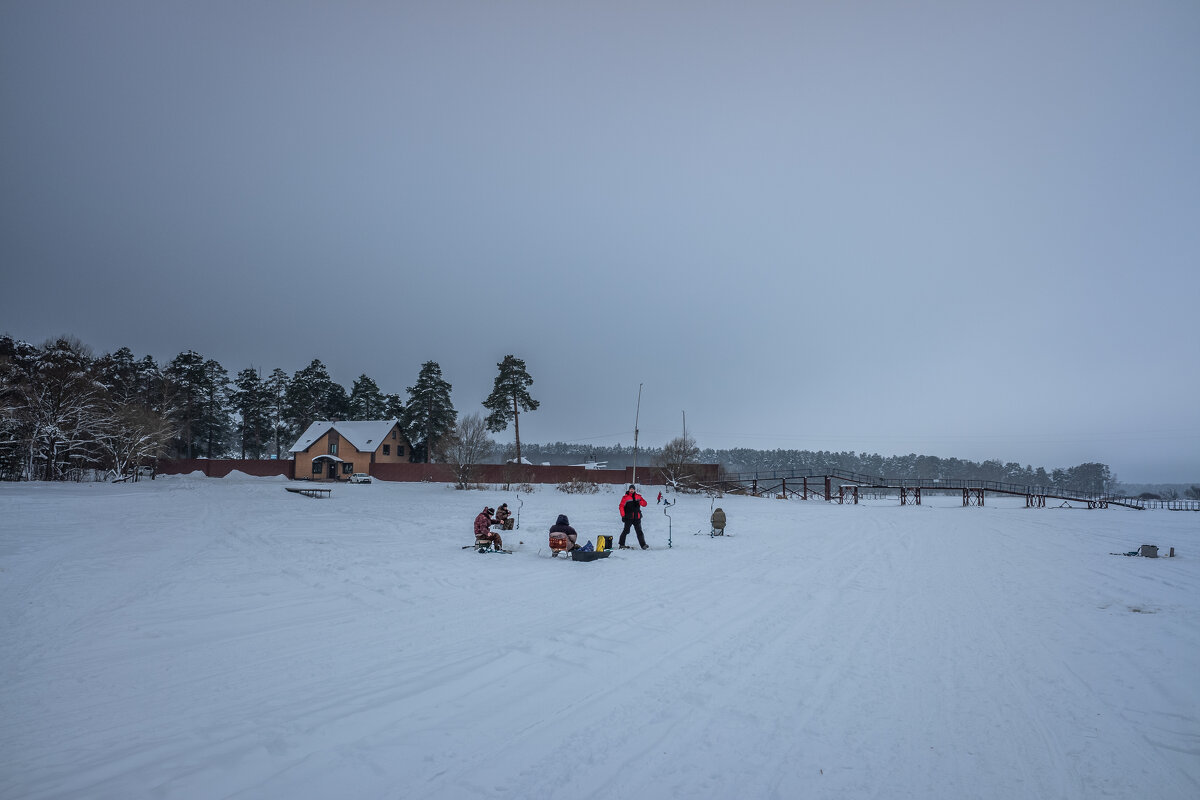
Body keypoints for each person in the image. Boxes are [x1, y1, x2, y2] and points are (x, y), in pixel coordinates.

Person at [618, 484, 649, 549]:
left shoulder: (638, 497)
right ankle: (621, 544)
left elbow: (645, 504)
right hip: (628, 517)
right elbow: (621, 506)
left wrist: (640, 502)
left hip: (637, 517)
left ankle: (643, 545)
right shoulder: (625, 497)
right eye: (630, 489)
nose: (632, 490)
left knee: (639, 531)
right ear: (629, 490)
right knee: (626, 531)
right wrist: (623, 515)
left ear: (634, 490)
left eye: (633, 489)